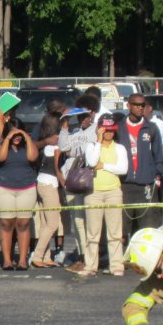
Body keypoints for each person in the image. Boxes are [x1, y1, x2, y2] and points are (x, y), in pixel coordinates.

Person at [58, 93, 102, 271]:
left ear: (92, 113)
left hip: (85, 179)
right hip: (70, 179)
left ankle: (89, 257)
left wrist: (72, 150)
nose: (83, 119)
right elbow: (63, 148)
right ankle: (81, 255)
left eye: (85, 115)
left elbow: (86, 151)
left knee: (87, 221)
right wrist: (65, 125)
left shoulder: (96, 130)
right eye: (79, 116)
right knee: (76, 220)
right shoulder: (75, 131)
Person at [80, 114, 127, 277]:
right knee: (93, 232)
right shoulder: (91, 146)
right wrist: (98, 141)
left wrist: (104, 166)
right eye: (105, 130)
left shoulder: (120, 148)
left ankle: (116, 265)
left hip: (114, 191)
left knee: (115, 231)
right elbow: (92, 163)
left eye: (111, 130)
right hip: (93, 192)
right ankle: (90, 265)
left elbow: (123, 169)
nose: (108, 133)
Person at [0, 115, 39, 271]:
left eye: (19, 134)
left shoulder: (27, 146)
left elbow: (33, 157)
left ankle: (23, 260)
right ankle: (6, 260)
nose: (17, 137)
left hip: (27, 188)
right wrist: (7, 138)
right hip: (4, 188)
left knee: (24, 223)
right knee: (6, 223)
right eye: (14, 134)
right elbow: (1, 157)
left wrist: (25, 136)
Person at [117, 93, 163, 239]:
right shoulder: (119, 129)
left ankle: (143, 260)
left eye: (142, 105)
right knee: (123, 229)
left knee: (146, 229)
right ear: (128, 106)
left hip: (146, 185)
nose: (139, 108)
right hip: (124, 184)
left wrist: (156, 175)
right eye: (136, 105)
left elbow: (159, 156)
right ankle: (124, 260)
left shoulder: (151, 128)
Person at [30, 112, 61, 268]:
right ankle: (38, 255)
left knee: (44, 223)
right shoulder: (54, 145)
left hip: (40, 182)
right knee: (53, 223)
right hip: (49, 184)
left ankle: (46, 256)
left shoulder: (43, 144)